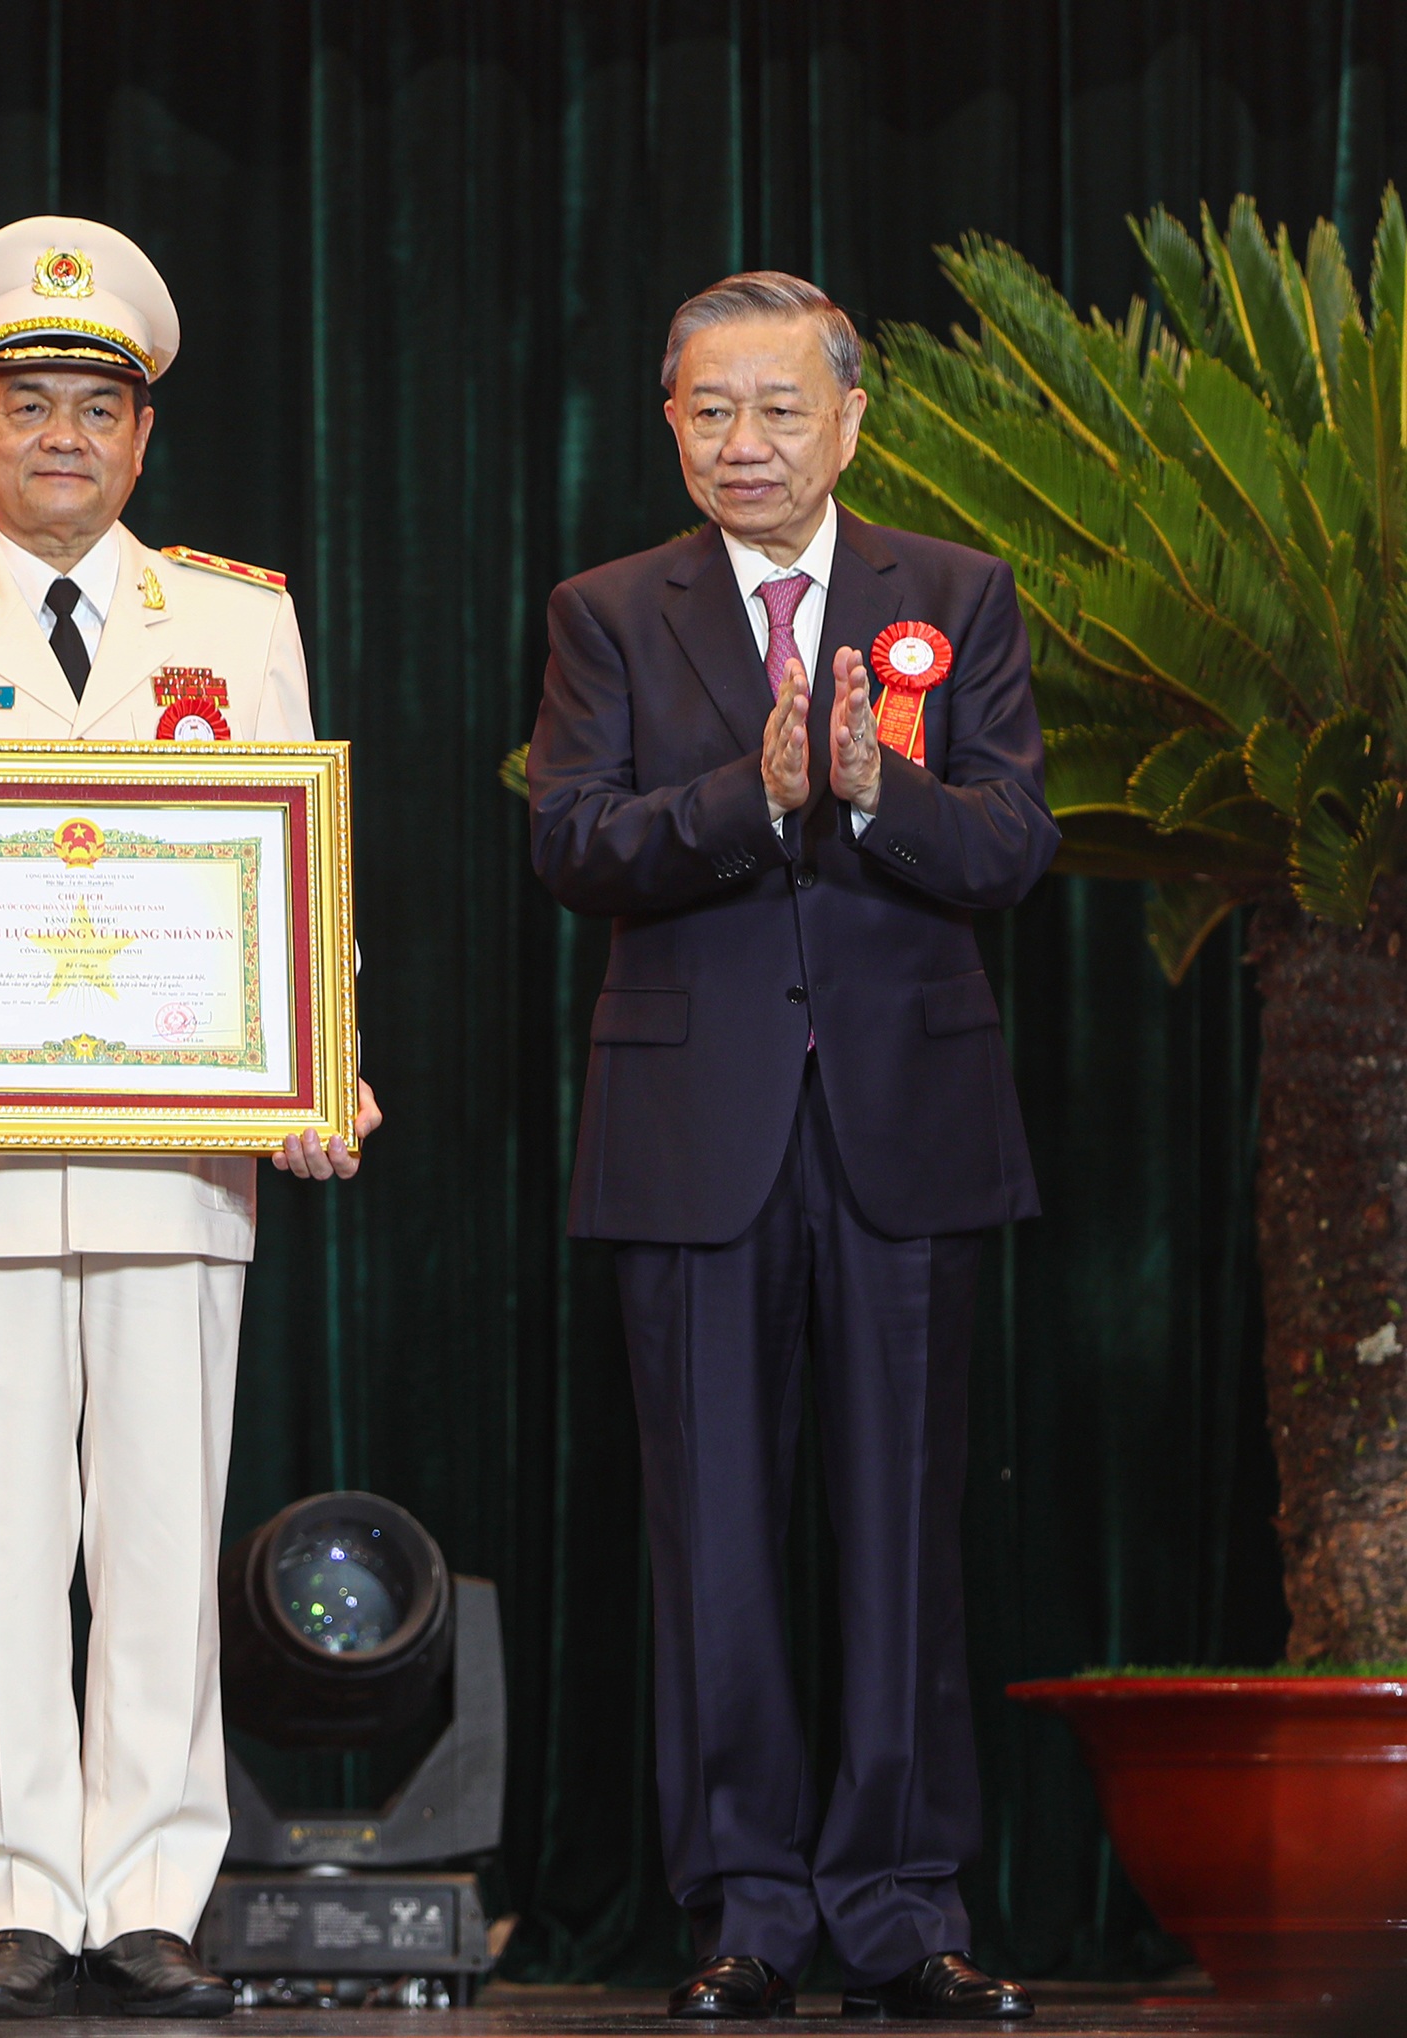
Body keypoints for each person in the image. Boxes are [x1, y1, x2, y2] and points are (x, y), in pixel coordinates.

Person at [0, 217, 380, 2020]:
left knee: (163, 1537)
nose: (59, 436)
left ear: (141, 435)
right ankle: (17, 1896)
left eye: (93, 406)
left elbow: (301, 882)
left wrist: (322, 1063)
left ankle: (155, 1894)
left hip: (181, 1158)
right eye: (25, 402)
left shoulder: (234, 618)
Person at [525, 271, 1054, 2023]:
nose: (742, 443)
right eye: (708, 412)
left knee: (906, 1528)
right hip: (695, 1132)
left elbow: (1009, 849)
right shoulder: (608, 610)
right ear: (669, 423)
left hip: (908, 1120)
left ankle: (903, 1902)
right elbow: (576, 843)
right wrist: (750, 799)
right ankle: (746, 1902)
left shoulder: (954, 599)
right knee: (716, 1542)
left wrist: (871, 788)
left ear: (849, 421)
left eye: (776, 410)